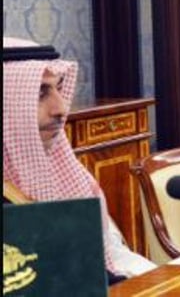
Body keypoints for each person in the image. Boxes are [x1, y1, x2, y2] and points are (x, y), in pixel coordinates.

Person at [2, 37, 156, 282]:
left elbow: (103, 263)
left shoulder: (71, 178)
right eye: (40, 93)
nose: (61, 109)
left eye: (58, 88)